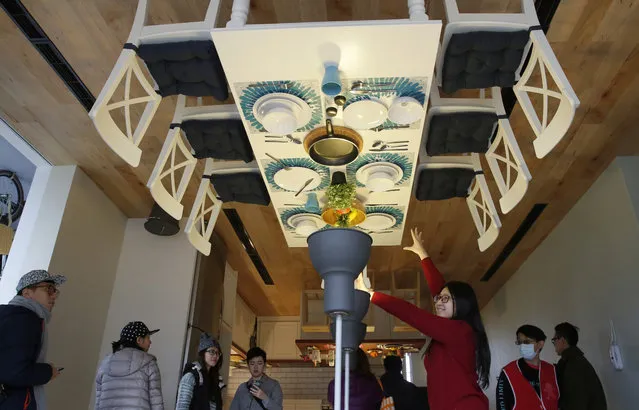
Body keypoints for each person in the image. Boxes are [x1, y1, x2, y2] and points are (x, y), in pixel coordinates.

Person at [356, 227, 491, 410]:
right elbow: (439, 290)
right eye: (439, 298)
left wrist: (372, 295)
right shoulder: (453, 329)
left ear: (462, 303)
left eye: (446, 299)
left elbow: (414, 315)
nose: (439, 302)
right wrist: (423, 255)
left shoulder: (460, 331)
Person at [0, 269, 66, 410]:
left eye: (55, 291)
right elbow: (15, 371)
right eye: (49, 289)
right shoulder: (24, 318)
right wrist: (48, 371)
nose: (54, 296)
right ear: (27, 293)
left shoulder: (10, 315)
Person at [94, 321, 164, 410]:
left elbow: (98, 401)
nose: (150, 342)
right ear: (139, 340)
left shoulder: (105, 363)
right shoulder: (149, 364)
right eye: (147, 338)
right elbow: (156, 401)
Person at [496, 325, 559, 410]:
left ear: (540, 344)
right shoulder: (508, 373)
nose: (522, 346)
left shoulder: (552, 370)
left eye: (526, 342)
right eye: (520, 342)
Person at [552, 322, 607, 410]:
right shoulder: (573, 361)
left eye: (554, 340)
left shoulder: (574, 365)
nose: (554, 343)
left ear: (562, 340)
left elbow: (575, 403)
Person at [176, 333, 226, 410]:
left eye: (217, 353)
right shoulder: (191, 376)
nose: (215, 356)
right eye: (212, 351)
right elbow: (182, 407)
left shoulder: (215, 379)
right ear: (203, 353)